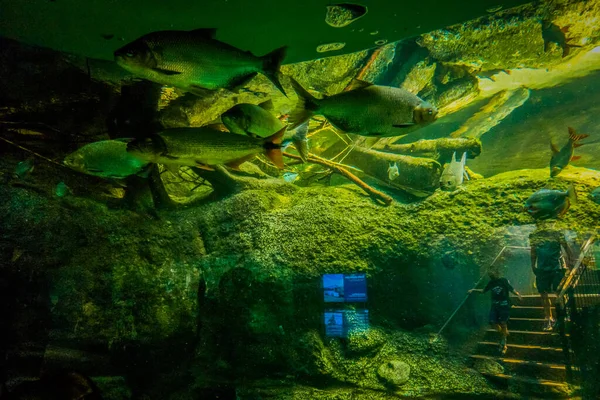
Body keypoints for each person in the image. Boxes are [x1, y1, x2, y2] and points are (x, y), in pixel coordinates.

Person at [529, 223, 571, 331]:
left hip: (557, 268)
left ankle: (564, 314)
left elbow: (566, 247)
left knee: (559, 292)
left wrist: (570, 262)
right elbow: (533, 251)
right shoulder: (535, 236)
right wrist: (533, 265)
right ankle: (548, 317)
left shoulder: (557, 234)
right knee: (543, 294)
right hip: (542, 270)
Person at [469, 269, 522, 355]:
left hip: (504, 305)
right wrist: (473, 290)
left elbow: (511, 288)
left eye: (492, 272)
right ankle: (504, 333)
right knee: (493, 323)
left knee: (503, 322)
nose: (490, 274)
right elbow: (483, 291)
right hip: (495, 306)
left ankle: (504, 343)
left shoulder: (503, 280)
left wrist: (518, 294)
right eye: (489, 273)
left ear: (496, 272)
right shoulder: (491, 283)